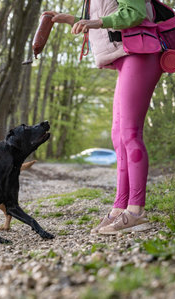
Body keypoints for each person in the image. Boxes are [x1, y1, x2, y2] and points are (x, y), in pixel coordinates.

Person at [44, 0, 162, 234]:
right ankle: (120, 207)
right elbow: (111, 21)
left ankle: (136, 211)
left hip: (141, 53)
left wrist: (95, 22)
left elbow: (135, 13)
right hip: (125, 56)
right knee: (118, 136)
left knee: (130, 134)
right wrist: (73, 20)